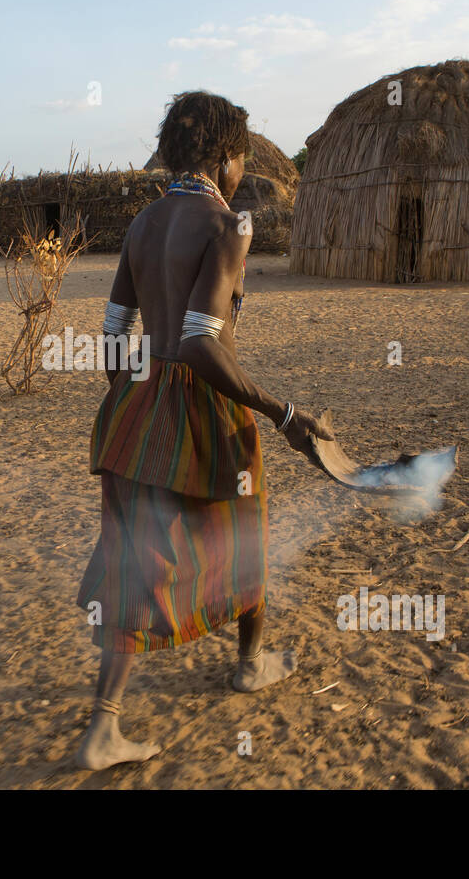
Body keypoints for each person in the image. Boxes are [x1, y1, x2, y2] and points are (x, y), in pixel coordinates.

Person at [74, 91, 334, 770]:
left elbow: (110, 336)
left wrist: (133, 402)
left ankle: (106, 724)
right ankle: (249, 664)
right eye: (242, 158)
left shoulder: (143, 224)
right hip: (206, 411)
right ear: (225, 158)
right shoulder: (230, 226)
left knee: (138, 557)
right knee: (245, 529)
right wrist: (282, 414)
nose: (242, 171)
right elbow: (199, 342)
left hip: (137, 407)